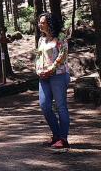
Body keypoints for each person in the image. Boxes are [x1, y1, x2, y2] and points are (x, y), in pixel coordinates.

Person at [36, 12, 70, 149]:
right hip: (43, 77)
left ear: (50, 23)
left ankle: (63, 138)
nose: (40, 24)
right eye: (39, 22)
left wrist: (52, 68)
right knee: (44, 106)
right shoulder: (41, 40)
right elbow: (38, 57)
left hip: (59, 75)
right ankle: (55, 135)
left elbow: (63, 55)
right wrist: (38, 70)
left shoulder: (61, 37)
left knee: (61, 106)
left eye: (43, 22)